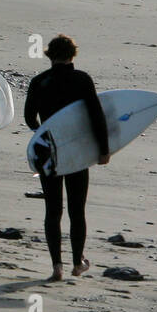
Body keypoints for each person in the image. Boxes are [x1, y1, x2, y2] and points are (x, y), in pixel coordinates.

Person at [24, 35, 109, 281]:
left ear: (50, 55)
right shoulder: (82, 79)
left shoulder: (39, 81)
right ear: (73, 54)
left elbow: (30, 117)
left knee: (53, 209)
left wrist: (43, 134)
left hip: (49, 152)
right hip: (77, 151)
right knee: (76, 209)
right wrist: (103, 149)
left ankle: (56, 266)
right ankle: (77, 262)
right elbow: (96, 115)